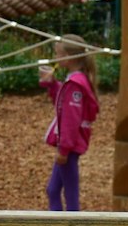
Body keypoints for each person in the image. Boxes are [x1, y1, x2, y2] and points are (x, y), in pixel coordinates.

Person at [38, 37, 100, 211]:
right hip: (68, 145)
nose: (55, 57)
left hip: (69, 147)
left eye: (57, 54)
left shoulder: (75, 84)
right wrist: (52, 85)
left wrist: (64, 149)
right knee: (52, 190)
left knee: (71, 196)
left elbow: (71, 119)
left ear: (67, 58)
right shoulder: (74, 80)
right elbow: (62, 101)